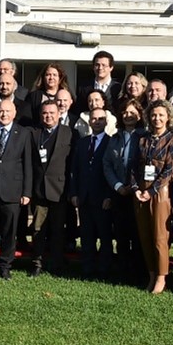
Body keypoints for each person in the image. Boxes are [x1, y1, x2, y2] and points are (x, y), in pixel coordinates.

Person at [130, 100, 173, 294]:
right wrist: (136, 188)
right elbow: (134, 166)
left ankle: (162, 277)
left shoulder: (172, 139)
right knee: (145, 235)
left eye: (161, 115)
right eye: (153, 115)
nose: (157, 118)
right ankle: (151, 274)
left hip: (161, 192)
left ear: (168, 116)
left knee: (160, 236)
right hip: (140, 191)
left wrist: (151, 191)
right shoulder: (142, 139)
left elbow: (169, 170)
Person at [0, 97, 33, 279]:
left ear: (15, 113)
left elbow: (27, 164)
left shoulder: (23, 133)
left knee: (10, 232)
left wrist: (26, 191)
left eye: (7, 111)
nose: (4, 114)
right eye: (1, 111)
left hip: (13, 190)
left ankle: (5, 265)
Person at [29, 98, 75, 277]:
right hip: (39, 189)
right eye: (45, 113)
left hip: (60, 189)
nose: (48, 116)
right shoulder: (34, 133)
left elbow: (72, 164)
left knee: (57, 229)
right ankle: (37, 263)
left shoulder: (69, 133)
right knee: (38, 229)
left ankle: (56, 263)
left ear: (59, 114)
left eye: (52, 113)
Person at [103, 98, 144, 285]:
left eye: (132, 112)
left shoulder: (145, 137)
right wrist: (118, 186)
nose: (128, 116)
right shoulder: (115, 138)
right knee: (120, 234)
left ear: (140, 115)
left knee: (137, 235)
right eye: (125, 112)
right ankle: (122, 272)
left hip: (138, 194)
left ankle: (137, 273)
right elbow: (107, 164)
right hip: (119, 193)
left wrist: (135, 187)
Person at [71, 106, 113, 280]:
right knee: (86, 236)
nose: (97, 122)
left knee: (104, 236)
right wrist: (74, 193)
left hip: (103, 197)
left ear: (106, 121)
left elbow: (113, 171)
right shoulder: (82, 142)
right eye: (94, 119)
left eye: (101, 119)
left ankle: (104, 270)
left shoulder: (111, 142)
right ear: (89, 122)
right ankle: (87, 269)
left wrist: (110, 196)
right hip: (84, 197)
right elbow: (75, 170)